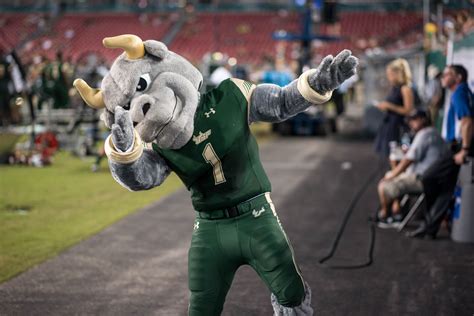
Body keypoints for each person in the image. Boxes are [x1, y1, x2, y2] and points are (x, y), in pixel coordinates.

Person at [407, 64, 473, 238]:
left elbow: (467, 121)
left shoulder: (459, 92)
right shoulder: (462, 91)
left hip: (457, 147)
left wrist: (464, 149)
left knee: (428, 177)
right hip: (456, 145)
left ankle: (428, 223)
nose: (443, 77)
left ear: (458, 78)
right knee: (446, 188)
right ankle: (430, 228)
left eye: (447, 74)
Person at [376, 109, 448, 227]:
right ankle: (395, 213)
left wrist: (393, 174)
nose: (411, 123)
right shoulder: (432, 132)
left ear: (423, 119)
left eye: (414, 120)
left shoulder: (425, 134)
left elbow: (408, 160)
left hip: (423, 179)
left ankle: (388, 216)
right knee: (394, 177)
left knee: (384, 184)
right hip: (429, 177)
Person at [374, 58, 415, 158]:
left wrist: (390, 106)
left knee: (398, 155)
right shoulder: (394, 88)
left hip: (399, 127)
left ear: (398, 74)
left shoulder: (405, 88)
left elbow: (409, 110)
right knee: (391, 155)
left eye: (391, 74)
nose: (389, 77)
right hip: (390, 124)